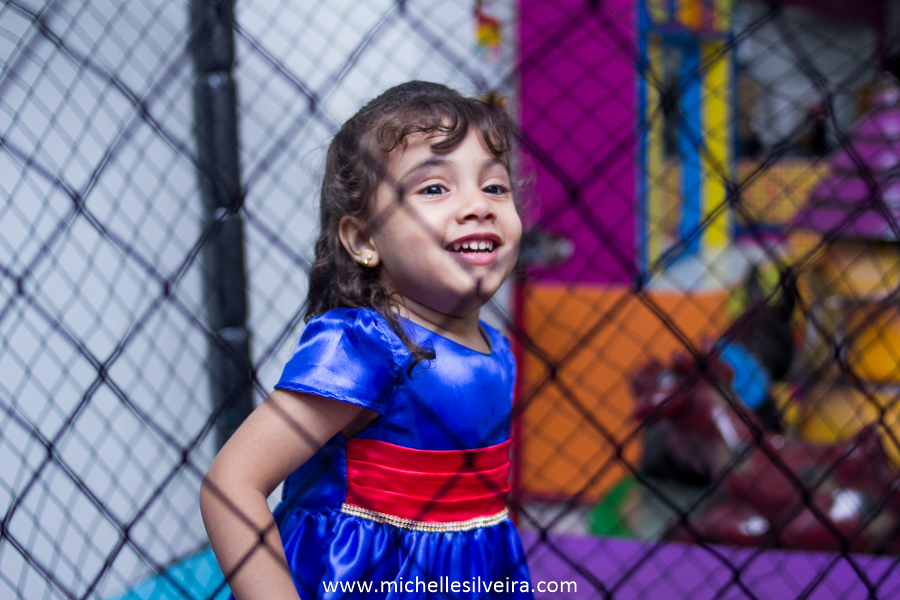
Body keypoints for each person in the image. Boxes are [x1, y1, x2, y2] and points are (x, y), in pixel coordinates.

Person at [200, 81, 533, 599]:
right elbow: (231, 484)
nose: (478, 205)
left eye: (494, 187)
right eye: (434, 188)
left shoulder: (500, 350)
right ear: (365, 240)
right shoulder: (367, 348)